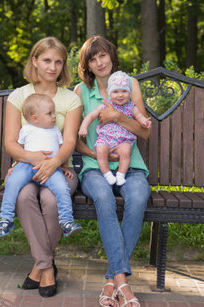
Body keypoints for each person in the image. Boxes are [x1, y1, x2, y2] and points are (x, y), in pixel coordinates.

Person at [74, 35, 151, 307]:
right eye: (92, 59)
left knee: (140, 197)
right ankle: (122, 284)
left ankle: (112, 280)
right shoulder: (81, 91)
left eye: (102, 55)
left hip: (131, 166)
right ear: (87, 65)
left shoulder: (130, 84)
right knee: (104, 199)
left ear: (111, 55)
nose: (99, 62)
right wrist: (96, 153)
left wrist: (118, 117)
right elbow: (74, 138)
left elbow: (144, 131)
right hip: (96, 167)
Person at [3, 36, 82, 298]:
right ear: (34, 61)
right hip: (26, 169)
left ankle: (39, 267)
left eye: (58, 62)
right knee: (24, 196)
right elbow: (11, 144)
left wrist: (53, 164)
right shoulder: (18, 96)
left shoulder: (70, 99)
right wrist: (35, 160)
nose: (52, 67)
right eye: (47, 60)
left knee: (51, 200)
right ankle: (47, 267)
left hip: (61, 170)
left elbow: (69, 142)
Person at [0, 93, 83, 238]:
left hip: (51, 168)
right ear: (34, 118)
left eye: (54, 112)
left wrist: (64, 167)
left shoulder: (55, 131)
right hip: (26, 165)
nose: (54, 116)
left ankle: (66, 221)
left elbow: (62, 149)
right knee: (12, 182)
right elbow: (19, 149)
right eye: (49, 113)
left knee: (62, 188)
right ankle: (6, 218)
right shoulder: (26, 130)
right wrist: (16, 165)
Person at [78, 71, 151, 186]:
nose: (120, 95)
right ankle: (107, 174)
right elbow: (91, 116)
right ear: (109, 94)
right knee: (101, 149)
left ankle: (121, 175)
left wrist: (144, 122)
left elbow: (139, 117)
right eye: (116, 92)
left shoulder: (131, 106)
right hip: (105, 139)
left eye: (124, 91)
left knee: (126, 150)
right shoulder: (105, 105)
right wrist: (83, 127)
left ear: (129, 93)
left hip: (123, 140)